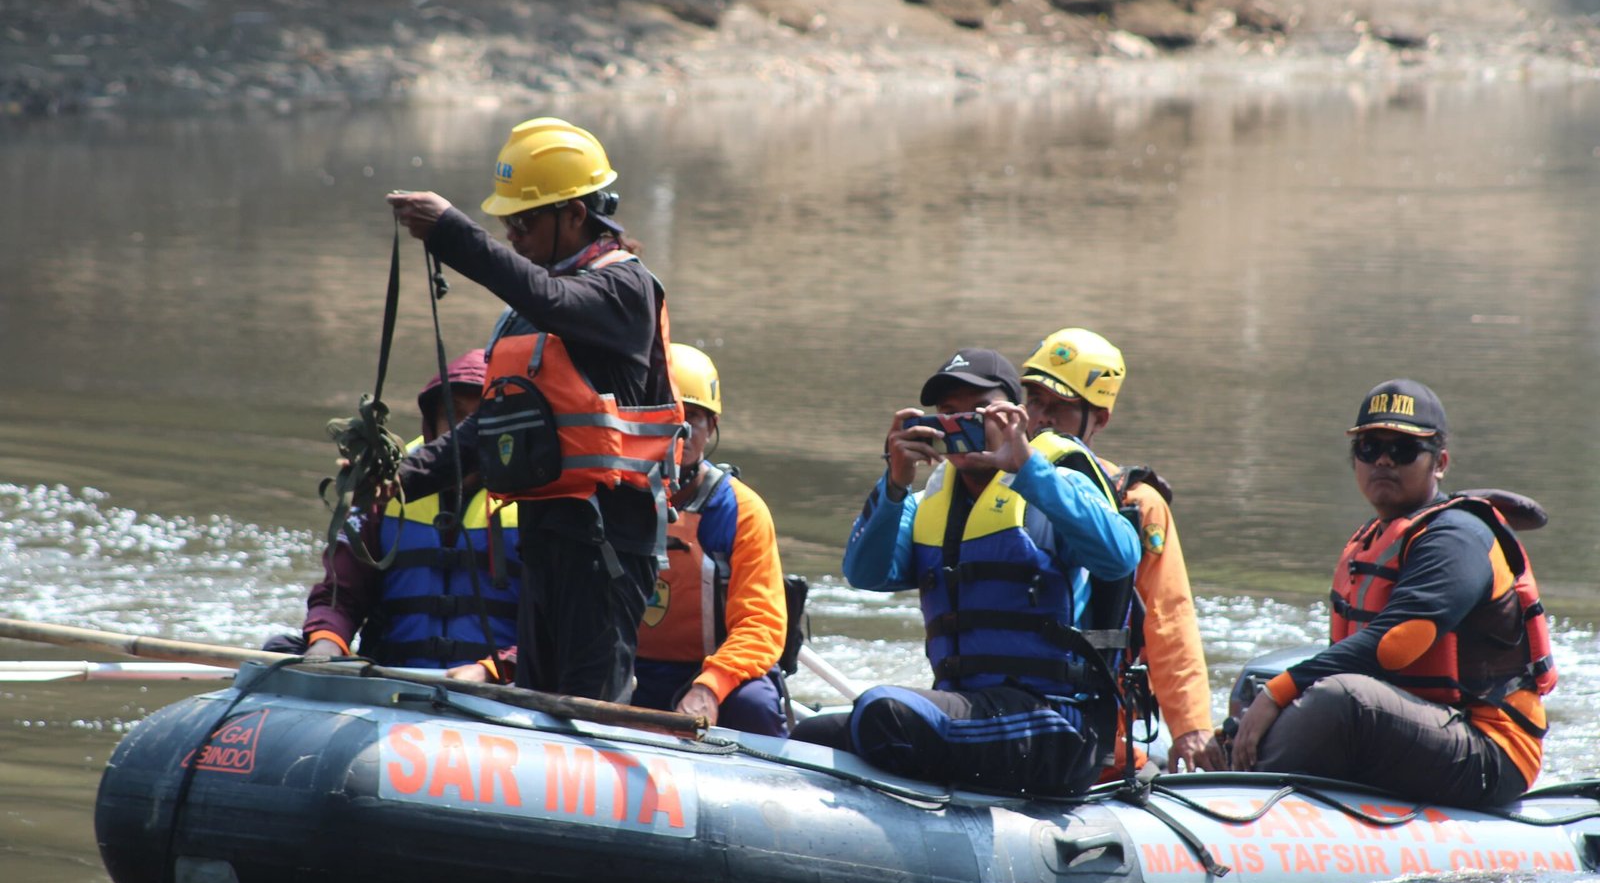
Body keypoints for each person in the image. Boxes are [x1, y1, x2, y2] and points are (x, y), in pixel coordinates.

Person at [385, 118, 683, 702]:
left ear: (575, 214)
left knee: (585, 704)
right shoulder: (526, 316)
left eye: (524, 221)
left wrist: (451, 232)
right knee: (538, 698)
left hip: (608, 544)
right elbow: (488, 428)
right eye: (505, 223)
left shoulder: (624, 291)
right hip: (545, 536)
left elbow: (549, 298)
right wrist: (401, 477)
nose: (513, 234)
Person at [790, 349, 1141, 795]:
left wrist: (1027, 466)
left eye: (976, 413)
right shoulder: (930, 504)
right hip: (974, 712)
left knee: (885, 711)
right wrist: (895, 483)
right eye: (947, 415)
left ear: (1016, 417)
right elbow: (866, 573)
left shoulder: (1054, 481)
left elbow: (1121, 556)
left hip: (1055, 723)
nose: (958, 427)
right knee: (810, 738)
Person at [1228, 379, 1557, 807]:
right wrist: (1254, 711)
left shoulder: (1457, 537)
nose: (1383, 460)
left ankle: (1236, 798)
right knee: (1262, 686)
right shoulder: (1374, 536)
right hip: (1413, 727)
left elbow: (1393, 647)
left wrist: (1280, 694)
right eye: (1369, 449)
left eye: (1402, 450)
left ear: (1439, 462)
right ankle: (1227, 763)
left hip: (1488, 750)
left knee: (1340, 699)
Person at [1018, 328, 1219, 774]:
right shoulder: (990, 483)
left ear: (1100, 418)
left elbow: (1169, 616)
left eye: (1061, 407)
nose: (1042, 419)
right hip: (999, 704)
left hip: (1090, 720)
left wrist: (1190, 729)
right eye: (1034, 401)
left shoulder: (1135, 504)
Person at [292, 349, 521, 668]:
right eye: (453, 416)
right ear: (432, 423)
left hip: (501, 692)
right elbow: (340, 596)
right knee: (287, 647)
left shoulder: (541, 495)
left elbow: (560, 628)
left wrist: (493, 671)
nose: (464, 435)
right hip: (394, 685)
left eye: (480, 419)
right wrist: (325, 644)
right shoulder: (384, 483)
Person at [632, 343, 789, 735]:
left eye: (694, 420)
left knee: (756, 707)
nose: (679, 434)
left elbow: (760, 625)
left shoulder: (742, 510)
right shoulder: (613, 499)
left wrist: (710, 686)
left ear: (712, 428)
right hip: (630, 668)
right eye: (668, 419)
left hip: (715, 672)